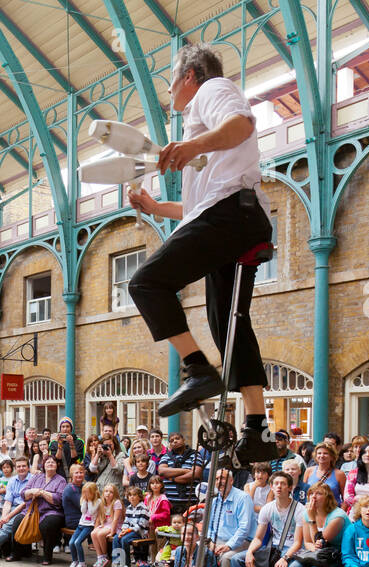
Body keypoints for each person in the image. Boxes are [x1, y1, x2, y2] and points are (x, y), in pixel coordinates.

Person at [126, 42, 278, 465]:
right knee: (228, 324)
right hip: (237, 220)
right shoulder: (201, 127)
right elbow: (196, 210)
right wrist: (157, 209)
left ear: (189, 76)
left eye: (171, 81)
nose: (169, 91)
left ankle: (197, 370)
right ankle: (256, 429)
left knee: (146, 283)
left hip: (230, 215)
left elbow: (242, 124)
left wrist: (192, 146)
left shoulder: (211, 92)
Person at [226, 471, 305, 567]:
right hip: (272, 548)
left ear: (290, 488)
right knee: (237, 559)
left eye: (283, 484)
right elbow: (258, 537)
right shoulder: (267, 508)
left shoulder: (299, 510)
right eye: (276, 484)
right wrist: (249, 552)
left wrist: (285, 558)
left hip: (293, 551)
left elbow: (298, 542)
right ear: (271, 487)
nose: (279, 487)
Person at [201, 468, 255, 567]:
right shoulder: (214, 500)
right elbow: (209, 526)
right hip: (218, 541)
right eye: (217, 479)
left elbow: (244, 528)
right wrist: (211, 543)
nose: (220, 482)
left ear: (231, 480)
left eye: (223, 478)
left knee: (226, 558)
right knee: (198, 549)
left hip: (242, 542)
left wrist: (229, 546)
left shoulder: (243, 498)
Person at [11, 455, 67, 565]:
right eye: (48, 462)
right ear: (43, 465)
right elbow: (23, 493)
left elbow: (58, 499)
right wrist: (33, 491)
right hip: (32, 511)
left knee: (46, 525)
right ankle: (16, 553)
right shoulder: (36, 477)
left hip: (51, 511)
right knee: (17, 521)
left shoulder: (61, 480)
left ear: (57, 465)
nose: (50, 464)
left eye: (53, 462)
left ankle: (47, 556)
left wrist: (42, 493)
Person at [157, 431, 204, 514]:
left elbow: (196, 473)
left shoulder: (194, 455)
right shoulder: (166, 456)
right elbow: (162, 471)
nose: (175, 441)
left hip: (191, 504)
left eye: (177, 438)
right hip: (170, 504)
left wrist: (173, 478)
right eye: (171, 440)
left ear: (183, 440)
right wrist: (185, 471)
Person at [89, 482, 124, 567]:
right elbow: (99, 517)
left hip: (115, 526)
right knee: (93, 534)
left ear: (115, 494)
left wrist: (112, 532)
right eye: (106, 491)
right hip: (106, 525)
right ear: (103, 493)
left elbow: (116, 519)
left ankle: (104, 556)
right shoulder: (102, 503)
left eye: (111, 492)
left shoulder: (117, 503)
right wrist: (96, 528)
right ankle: (100, 557)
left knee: (100, 534)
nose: (108, 493)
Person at [66, 479, 99, 567]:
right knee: (71, 542)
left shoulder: (98, 501)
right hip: (81, 524)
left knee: (77, 542)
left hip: (89, 525)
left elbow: (92, 511)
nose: (86, 495)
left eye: (88, 493)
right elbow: (83, 511)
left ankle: (82, 564)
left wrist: (89, 501)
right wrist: (85, 500)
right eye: (84, 493)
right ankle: (75, 561)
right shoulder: (84, 500)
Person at [302, 442, 343, 506]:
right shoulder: (309, 471)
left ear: (332, 456)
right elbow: (304, 493)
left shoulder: (339, 474)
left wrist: (341, 513)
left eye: (325, 453)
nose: (322, 456)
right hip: (313, 510)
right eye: (319, 453)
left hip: (332, 511)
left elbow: (345, 498)